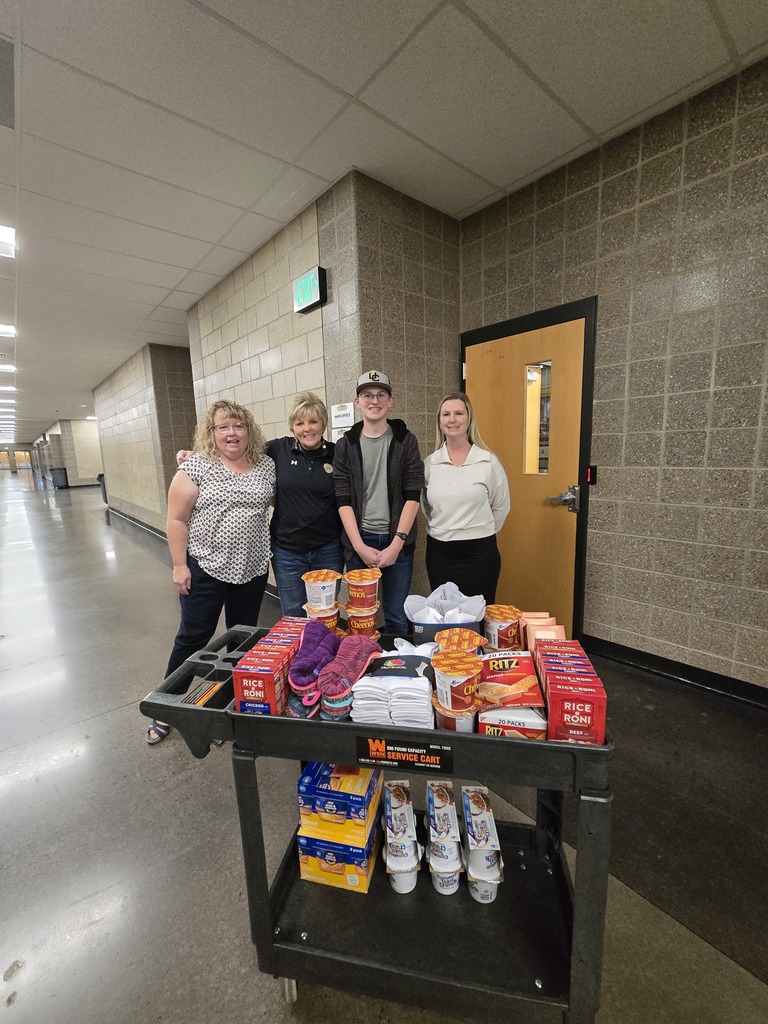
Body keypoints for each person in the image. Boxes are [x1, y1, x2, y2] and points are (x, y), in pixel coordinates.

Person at [146, 399, 275, 745]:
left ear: (249, 430)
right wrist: (178, 565)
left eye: (238, 426)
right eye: (223, 427)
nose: (232, 433)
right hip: (205, 567)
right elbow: (176, 519)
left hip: (252, 567)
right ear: (212, 432)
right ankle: (167, 706)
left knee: (243, 637)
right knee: (193, 637)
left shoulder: (265, 466)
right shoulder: (197, 466)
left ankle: (232, 701)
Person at [333, 370, 424, 637]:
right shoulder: (345, 445)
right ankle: (362, 667)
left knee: (396, 613)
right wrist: (359, 546)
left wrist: (397, 544)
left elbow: (412, 494)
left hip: (399, 541)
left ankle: (397, 671)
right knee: (361, 615)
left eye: (381, 395)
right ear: (357, 401)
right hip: (359, 539)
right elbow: (343, 499)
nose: (375, 401)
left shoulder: (405, 441)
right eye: (367, 395)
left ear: (391, 400)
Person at [422, 391, 510, 605]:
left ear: (469, 419)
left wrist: (475, 529)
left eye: (459, 413)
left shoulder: (488, 462)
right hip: (440, 554)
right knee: (446, 615)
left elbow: (501, 507)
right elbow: (426, 507)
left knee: (478, 616)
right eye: (446, 414)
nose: (452, 420)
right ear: (440, 422)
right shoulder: (430, 463)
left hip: (479, 554)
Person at [266, 392, 343, 616]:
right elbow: (238, 451)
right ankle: (299, 653)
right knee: (293, 614)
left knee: (325, 613)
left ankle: (325, 652)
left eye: (313, 421)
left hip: (327, 549)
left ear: (323, 424)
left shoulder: (336, 454)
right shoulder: (278, 449)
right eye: (299, 423)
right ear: (292, 427)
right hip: (287, 552)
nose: (307, 428)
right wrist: (199, 455)